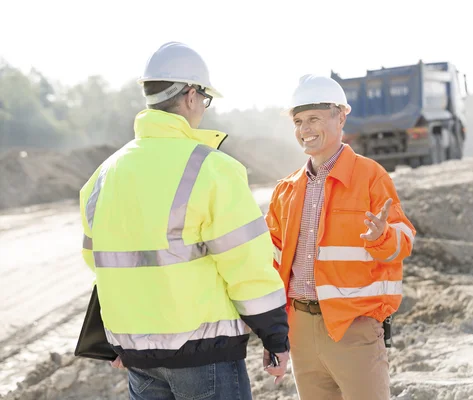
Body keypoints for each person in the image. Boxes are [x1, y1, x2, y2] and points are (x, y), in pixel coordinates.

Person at [79, 42, 290, 400]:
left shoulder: (104, 175)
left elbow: (99, 262)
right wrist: (274, 335)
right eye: (205, 100)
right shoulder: (211, 168)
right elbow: (246, 265)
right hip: (205, 355)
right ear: (191, 96)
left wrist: (121, 337)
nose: (203, 110)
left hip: (137, 359)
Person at [265, 74, 416, 400]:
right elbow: (272, 262)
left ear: (341, 116)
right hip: (301, 330)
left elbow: (404, 241)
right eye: (299, 121)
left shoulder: (370, 176)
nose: (305, 129)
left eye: (314, 119)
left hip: (353, 328)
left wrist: (382, 235)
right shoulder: (286, 190)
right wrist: (274, 333)